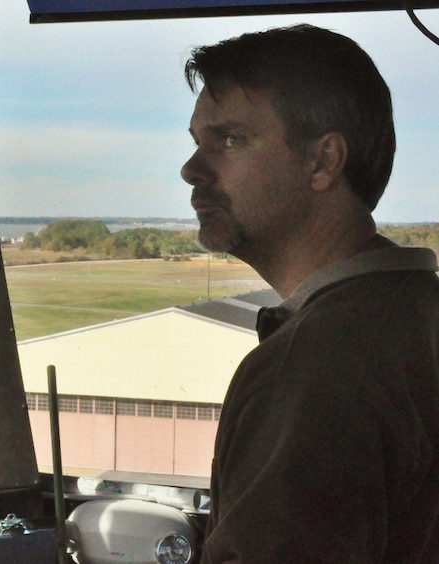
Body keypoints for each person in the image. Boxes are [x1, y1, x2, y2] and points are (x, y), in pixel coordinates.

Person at [180, 24, 439, 562]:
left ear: (322, 161)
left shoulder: (312, 371)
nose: (190, 170)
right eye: (196, 142)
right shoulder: (418, 316)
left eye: (229, 140)